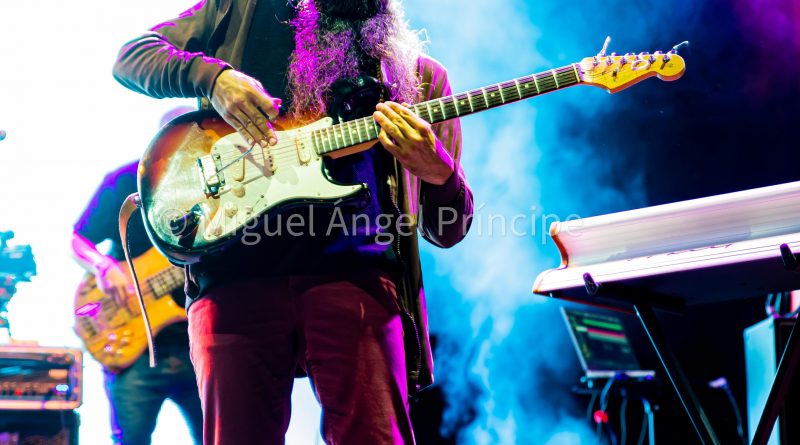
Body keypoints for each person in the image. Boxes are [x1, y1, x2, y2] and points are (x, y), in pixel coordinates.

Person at [112, 1, 473, 443]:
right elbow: (132, 57)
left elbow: (451, 229)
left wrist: (440, 174)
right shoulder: (239, 9)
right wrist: (214, 79)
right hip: (234, 281)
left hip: (358, 283)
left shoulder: (417, 76)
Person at [72, 136, 204, 445]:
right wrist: (103, 267)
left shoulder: (217, 180)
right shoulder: (126, 180)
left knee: (216, 435)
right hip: (134, 347)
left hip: (197, 341)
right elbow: (78, 239)